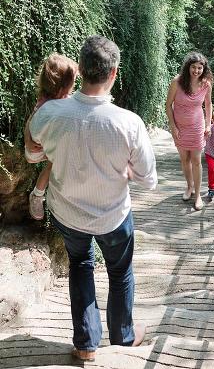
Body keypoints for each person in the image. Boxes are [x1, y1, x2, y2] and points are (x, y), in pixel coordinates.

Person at [27, 36, 157, 361]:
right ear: (114, 73)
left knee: (80, 265)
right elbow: (148, 180)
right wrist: (126, 170)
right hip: (113, 216)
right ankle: (124, 339)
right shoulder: (129, 123)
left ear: (80, 69)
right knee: (120, 272)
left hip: (67, 215)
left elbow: (31, 154)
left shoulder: (50, 114)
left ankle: (86, 343)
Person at [24, 54, 78, 220]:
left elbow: (30, 121)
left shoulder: (48, 99)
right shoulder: (51, 104)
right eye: (74, 80)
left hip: (39, 147)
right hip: (36, 151)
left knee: (57, 159)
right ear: (64, 86)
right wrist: (28, 140)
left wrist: (27, 137)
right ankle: (37, 195)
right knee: (55, 163)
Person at [165, 51, 213, 211]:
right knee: (184, 159)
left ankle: (198, 195)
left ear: (203, 69)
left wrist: (208, 124)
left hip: (197, 127)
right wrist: (173, 126)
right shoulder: (177, 82)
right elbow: (168, 105)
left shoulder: (206, 84)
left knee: (196, 160)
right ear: (188, 67)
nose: (196, 71)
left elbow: (208, 104)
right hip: (179, 128)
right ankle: (189, 187)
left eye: (200, 68)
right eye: (194, 67)